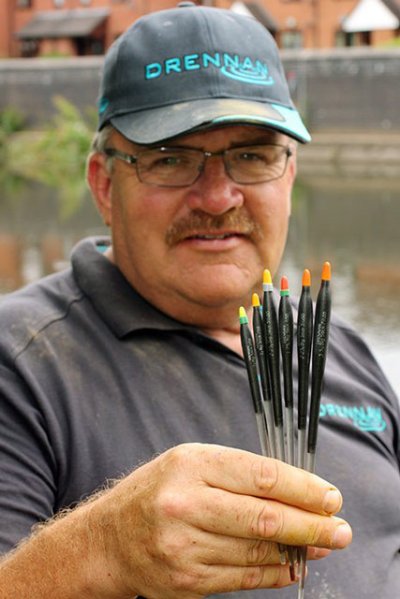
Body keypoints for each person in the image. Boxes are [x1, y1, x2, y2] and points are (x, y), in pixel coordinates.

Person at [0, 3, 399, 598]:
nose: (217, 197)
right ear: (104, 185)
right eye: (171, 160)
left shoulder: (344, 351)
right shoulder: (18, 363)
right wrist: (101, 549)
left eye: (252, 156)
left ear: (289, 175)